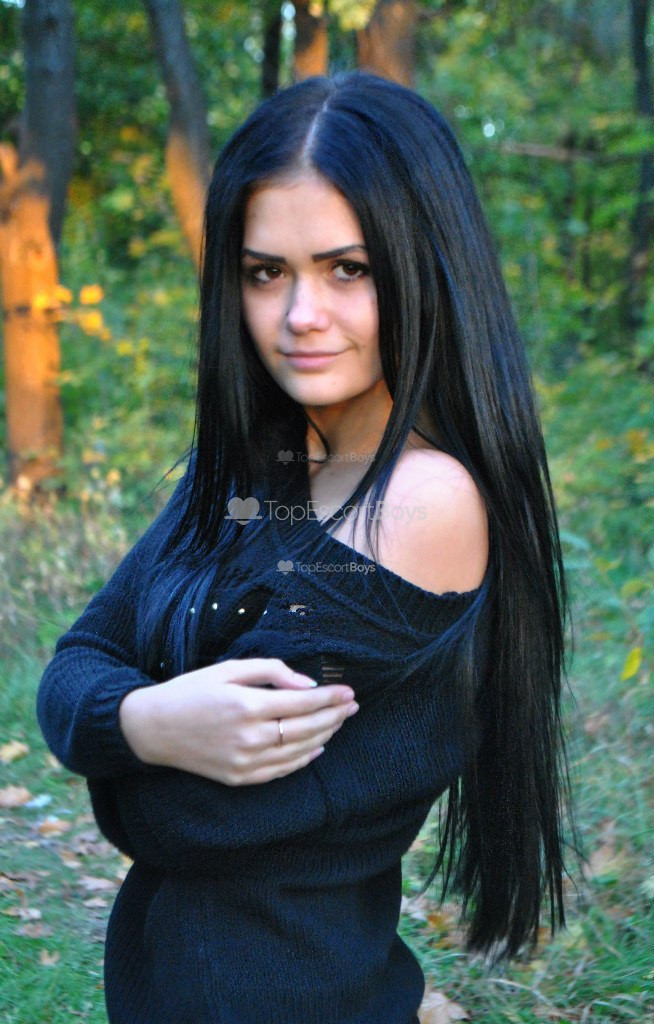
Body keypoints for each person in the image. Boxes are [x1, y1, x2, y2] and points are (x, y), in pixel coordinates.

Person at [37, 71, 570, 1024]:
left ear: (423, 265)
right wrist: (149, 725)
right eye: (265, 272)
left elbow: (184, 819)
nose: (300, 316)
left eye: (347, 269)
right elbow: (74, 662)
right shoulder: (260, 464)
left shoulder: (421, 505)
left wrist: (115, 741)